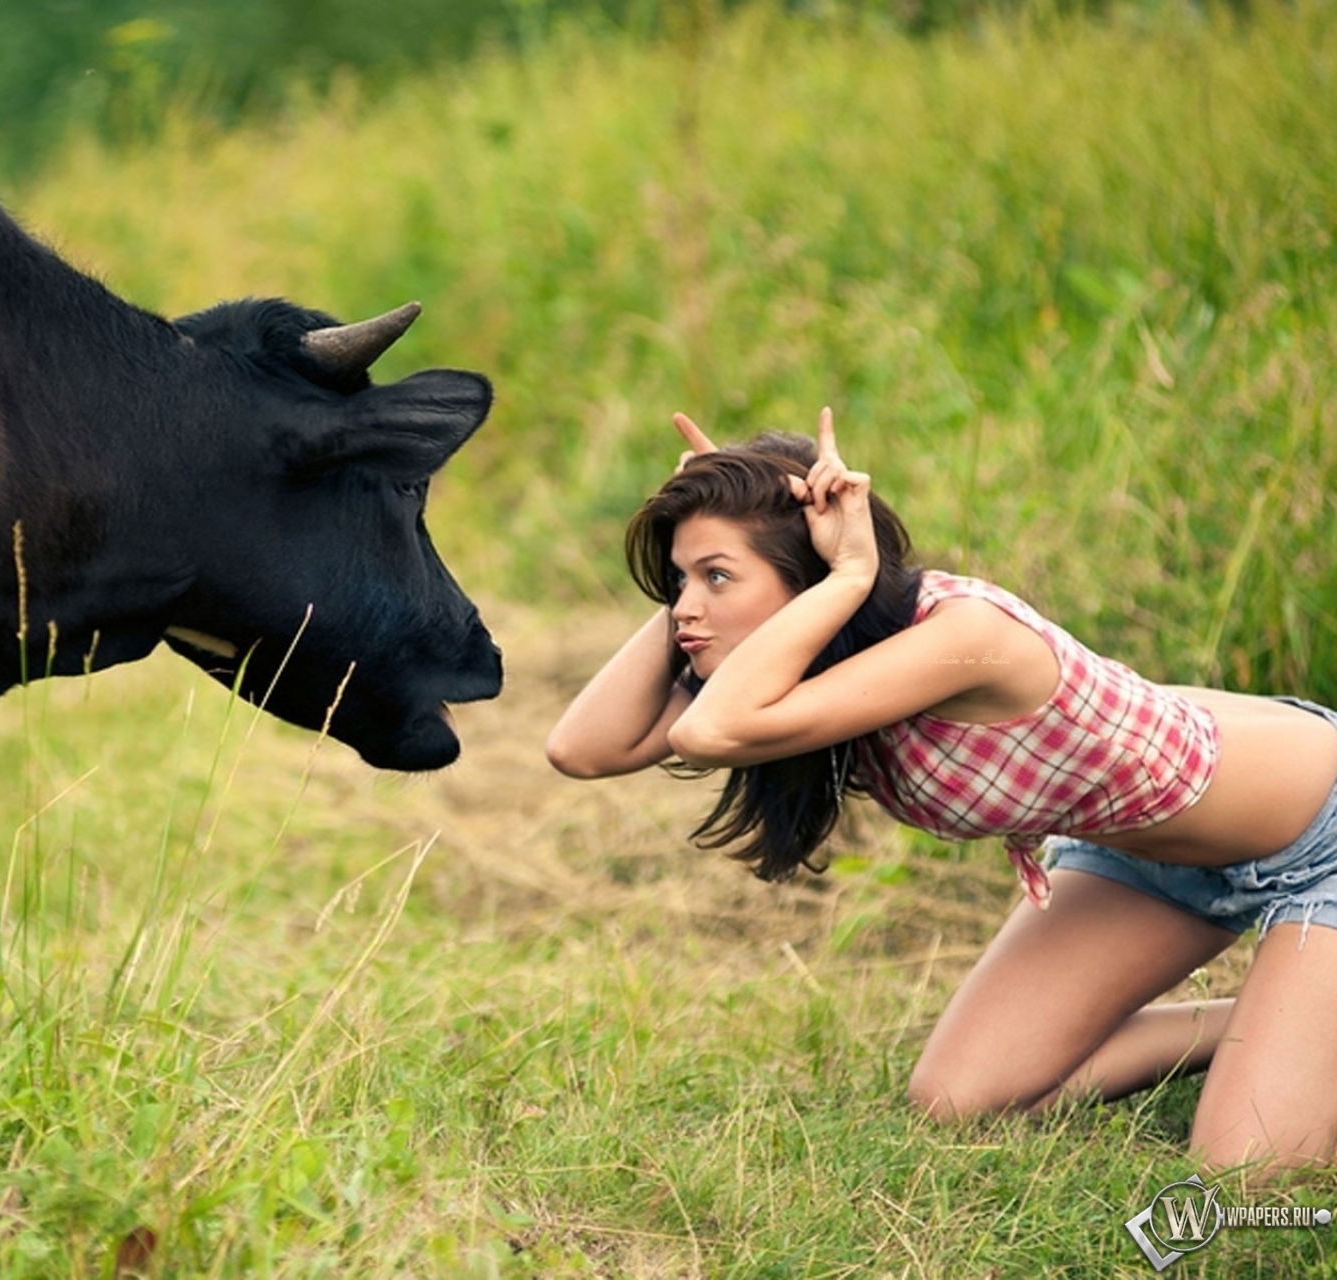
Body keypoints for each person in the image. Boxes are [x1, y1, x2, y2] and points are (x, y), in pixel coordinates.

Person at [545, 408, 1337, 1176]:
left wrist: (849, 571)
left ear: (813, 579)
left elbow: (706, 734)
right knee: (958, 1099)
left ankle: (1292, 1034)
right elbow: (583, 749)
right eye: (682, 581)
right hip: (1142, 859)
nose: (686, 607)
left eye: (717, 578)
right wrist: (703, 556)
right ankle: (1264, 1024)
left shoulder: (963, 637)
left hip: (1315, 836)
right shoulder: (791, 669)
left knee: (1248, 1175)